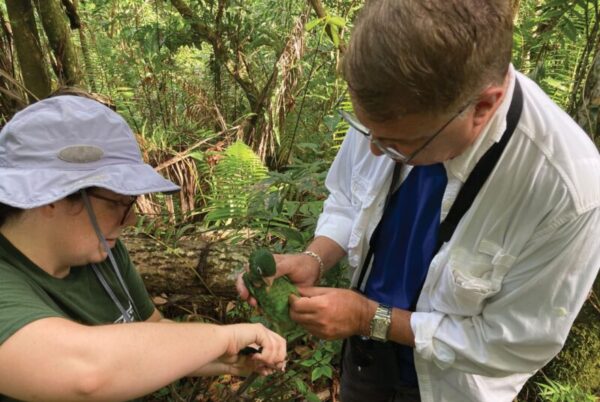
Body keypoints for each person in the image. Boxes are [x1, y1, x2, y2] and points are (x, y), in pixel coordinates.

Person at [237, 1, 600, 401]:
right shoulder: (394, 110)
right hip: (364, 361)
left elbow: (511, 342)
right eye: (367, 131)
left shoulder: (564, 190)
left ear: (482, 107)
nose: (373, 150)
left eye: (397, 145)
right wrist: (316, 258)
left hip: (449, 385)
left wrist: (368, 317)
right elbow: (348, 198)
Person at [0, 94, 287, 402]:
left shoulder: (103, 254)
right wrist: (224, 337)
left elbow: (153, 329)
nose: (133, 218)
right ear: (51, 196)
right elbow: (85, 373)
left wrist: (230, 358)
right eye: (118, 203)